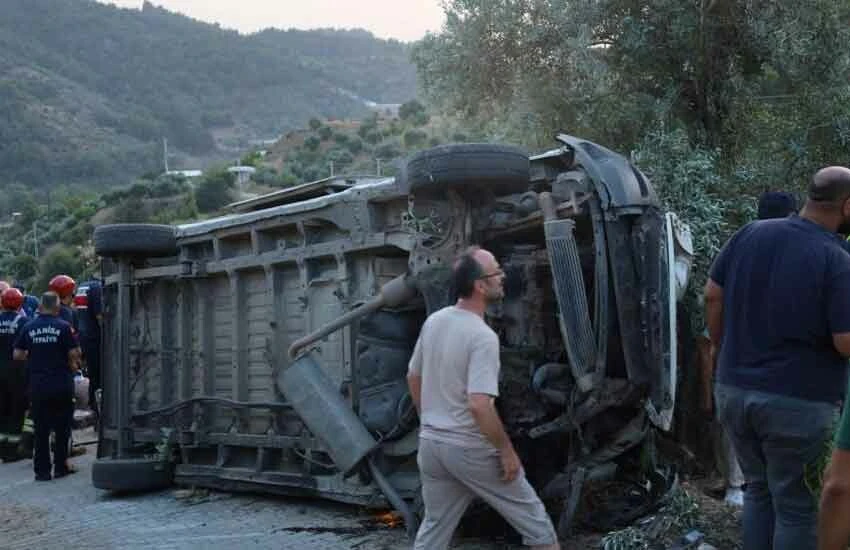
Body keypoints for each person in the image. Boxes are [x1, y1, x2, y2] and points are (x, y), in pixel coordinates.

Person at [705, 166, 850, 550]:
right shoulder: (835, 257)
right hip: (799, 403)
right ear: (847, 206)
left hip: (734, 390)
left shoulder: (750, 233)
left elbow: (712, 294)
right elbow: (845, 342)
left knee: (758, 491)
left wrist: (722, 348)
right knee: (797, 508)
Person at [407, 246, 559, 550]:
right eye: (496, 272)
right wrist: (506, 451)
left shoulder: (436, 321)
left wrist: (431, 422)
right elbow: (479, 404)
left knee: (435, 529)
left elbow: (413, 376)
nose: (503, 276)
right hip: (469, 449)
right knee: (535, 523)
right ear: (479, 286)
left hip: (432, 447)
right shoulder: (482, 336)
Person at [700, 190, 799, 508]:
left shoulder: (738, 246)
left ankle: (735, 488)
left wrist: (718, 343)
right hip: (785, 370)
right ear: (793, 215)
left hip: (737, 364)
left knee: (734, 428)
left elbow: (712, 297)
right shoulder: (806, 250)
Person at [13, 292, 81, 481]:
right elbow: (75, 354)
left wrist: (34, 356)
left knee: (41, 429)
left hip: (38, 386)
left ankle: (42, 472)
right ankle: (60, 467)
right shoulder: (64, 327)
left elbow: (17, 354)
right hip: (61, 385)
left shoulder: (28, 326)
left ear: (41, 305)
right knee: (62, 428)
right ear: (57, 307)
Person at [0, 287, 28, 462]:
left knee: (2, 409)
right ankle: (12, 450)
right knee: (16, 410)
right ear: (20, 304)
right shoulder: (23, 322)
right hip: (17, 372)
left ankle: (2, 448)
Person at [74, 279, 103, 416]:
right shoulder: (97, 288)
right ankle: (97, 409)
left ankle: (92, 405)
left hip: (84, 336)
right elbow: (99, 317)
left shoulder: (83, 286)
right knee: (99, 375)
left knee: (92, 374)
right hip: (94, 338)